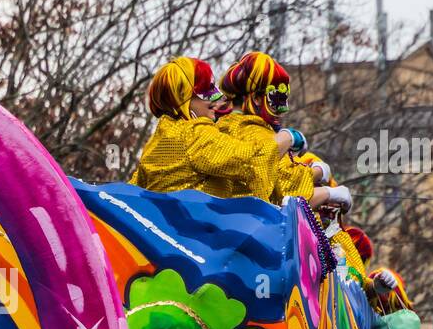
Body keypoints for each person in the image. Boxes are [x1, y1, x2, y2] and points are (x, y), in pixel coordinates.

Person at [128, 56, 295, 197]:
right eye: (206, 91)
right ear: (183, 96)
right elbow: (252, 160)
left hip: (162, 229)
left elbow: (135, 191)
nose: (216, 99)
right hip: (194, 232)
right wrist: (288, 137)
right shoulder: (196, 134)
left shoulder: (156, 141)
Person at [217, 51, 352, 211]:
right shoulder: (257, 133)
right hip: (252, 224)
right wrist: (321, 176)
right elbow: (287, 188)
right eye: (276, 100)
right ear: (257, 98)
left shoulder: (218, 127)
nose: (281, 110)